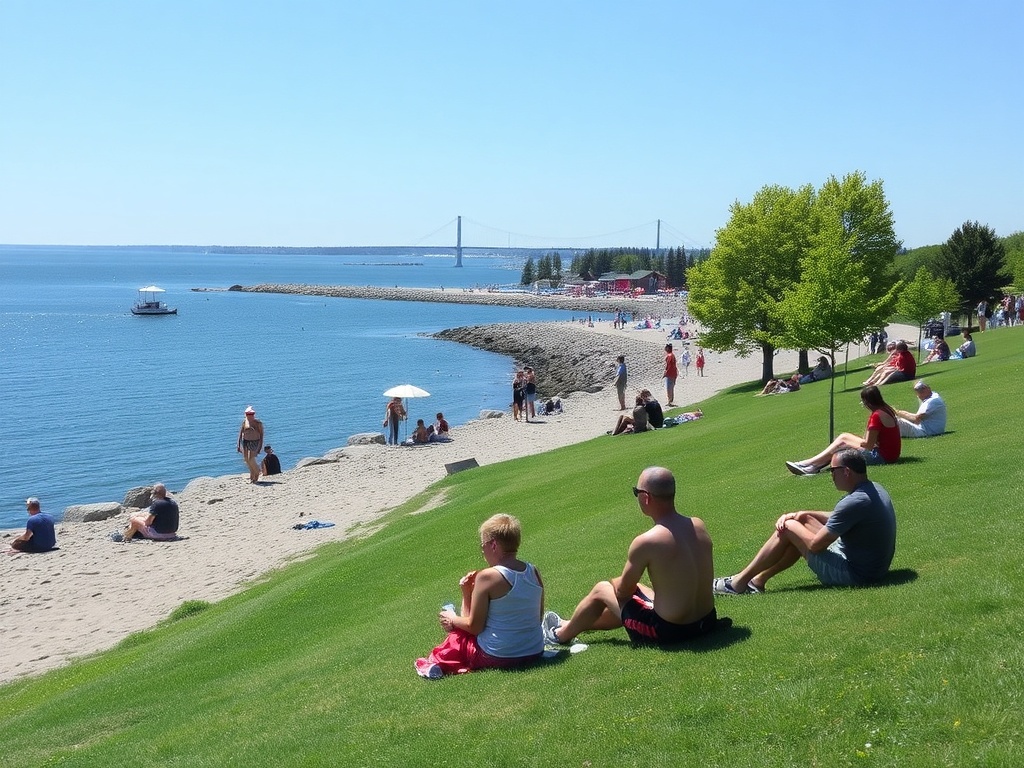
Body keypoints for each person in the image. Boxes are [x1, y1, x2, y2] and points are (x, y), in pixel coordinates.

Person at [542, 467, 730, 647]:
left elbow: (623, 592)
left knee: (602, 589)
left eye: (636, 491)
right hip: (706, 622)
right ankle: (571, 624)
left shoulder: (647, 541)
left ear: (646, 497)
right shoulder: (698, 525)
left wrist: (617, 583)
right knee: (638, 589)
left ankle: (560, 635)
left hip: (668, 631)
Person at [713, 449, 897, 594]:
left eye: (832, 470)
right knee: (800, 523)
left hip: (856, 575)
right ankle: (757, 581)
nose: (830, 475)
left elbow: (816, 546)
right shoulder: (873, 490)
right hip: (871, 567)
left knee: (789, 530)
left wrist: (791, 525)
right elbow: (837, 517)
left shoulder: (854, 502)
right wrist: (801, 515)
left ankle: (737, 584)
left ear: (847, 472)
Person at [416, 514, 544, 678]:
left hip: (500, 655)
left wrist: (451, 618)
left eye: (482, 546)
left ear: (493, 545)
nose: (482, 552)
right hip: (534, 650)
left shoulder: (487, 577)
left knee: (457, 637)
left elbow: (474, 627)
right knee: (462, 632)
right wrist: (467, 593)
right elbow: (537, 618)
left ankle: (434, 662)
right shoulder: (533, 571)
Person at [785, 385, 901, 475]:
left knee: (842, 445)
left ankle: (809, 465)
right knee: (843, 436)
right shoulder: (886, 410)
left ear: (868, 402)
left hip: (881, 456)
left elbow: (868, 445)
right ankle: (811, 465)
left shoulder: (876, 416)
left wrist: (851, 443)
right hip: (889, 454)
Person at [236, 405, 265, 483]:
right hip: (245, 441)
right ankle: (252, 474)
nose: (250, 416)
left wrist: (260, 447)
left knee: (251, 459)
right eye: (248, 414)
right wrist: (238, 445)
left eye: (251, 414)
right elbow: (240, 433)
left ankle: (257, 473)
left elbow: (261, 435)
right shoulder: (244, 422)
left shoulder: (258, 423)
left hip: (254, 442)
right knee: (246, 459)